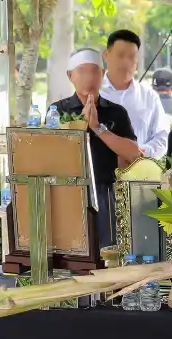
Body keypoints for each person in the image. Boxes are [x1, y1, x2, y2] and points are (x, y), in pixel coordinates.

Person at [51, 48, 141, 247]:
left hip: (106, 191)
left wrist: (98, 128)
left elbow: (133, 153)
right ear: (70, 76)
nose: (89, 78)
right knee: (72, 251)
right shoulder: (57, 111)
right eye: (82, 71)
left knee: (106, 250)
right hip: (70, 191)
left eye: (95, 72)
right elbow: (52, 154)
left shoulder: (116, 112)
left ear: (102, 75)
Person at [101, 30, 170, 158]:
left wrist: (141, 152)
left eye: (131, 57)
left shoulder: (149, 97)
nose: (126, 62)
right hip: (99, 173)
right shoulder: (93, 94)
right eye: (120, 55)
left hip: (138, 172)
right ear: (106, 55)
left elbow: (162, 137)